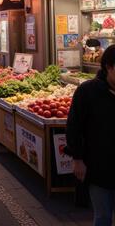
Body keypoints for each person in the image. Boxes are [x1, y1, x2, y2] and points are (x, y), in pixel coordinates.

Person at [66, 45, 115, 226]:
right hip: (98, 165)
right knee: (103, 216)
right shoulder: (88, 91)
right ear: (108, 67)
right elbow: (73, 126)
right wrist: (77, 159)